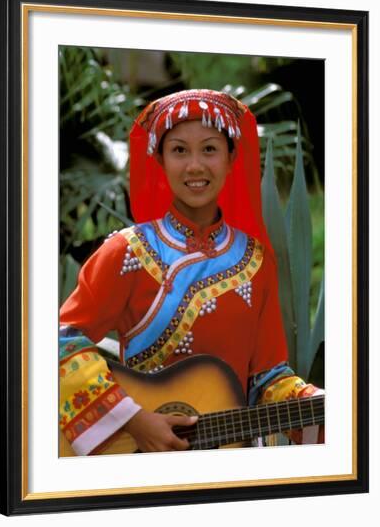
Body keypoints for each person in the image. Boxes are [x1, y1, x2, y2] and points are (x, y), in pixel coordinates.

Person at [59, 88, 323, 456]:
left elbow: (266, 378)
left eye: (210, 149)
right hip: (142, 457)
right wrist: (132, 420)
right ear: (160, 160)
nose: (195, 166)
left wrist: (319, 405)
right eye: (179, 150)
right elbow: (58, 342)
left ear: (232, 158)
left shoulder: (255, 259)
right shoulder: (125, 252)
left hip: (234, 454)